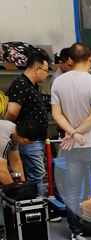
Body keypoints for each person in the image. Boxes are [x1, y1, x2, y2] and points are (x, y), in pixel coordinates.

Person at [51, 43, 91, 240]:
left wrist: (72, 133)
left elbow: (56, 114)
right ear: (90, 58)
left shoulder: (58, 82)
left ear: (70, 60)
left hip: (73, 146)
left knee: (73, 191)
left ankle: (76, 232)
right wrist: (76, 133)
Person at [4, 50, 50, 197]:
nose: (47, 74)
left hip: (34, 139)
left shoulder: (31, 85)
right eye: (45, 70)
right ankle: (37, 203)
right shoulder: (21, 84)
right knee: (36, 174)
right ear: (36, 69)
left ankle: (34, 201)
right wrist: (5, 128)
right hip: (28, 140)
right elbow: (12, 112)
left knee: (36, 173)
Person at [0, 119, 43, 240]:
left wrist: (24, 186)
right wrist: (16, 191)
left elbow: (15, 160)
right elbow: (1, 171)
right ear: (25, 140)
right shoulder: (4, 139)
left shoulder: (14, 131)